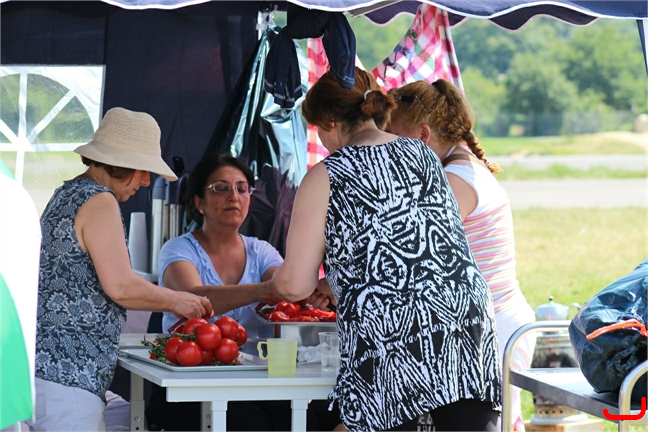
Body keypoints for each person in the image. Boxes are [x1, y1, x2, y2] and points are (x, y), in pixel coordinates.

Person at [269, 67, 502, 431]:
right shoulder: (423, 154)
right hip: (465, 317)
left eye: (317, 128)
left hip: (391, 329)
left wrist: (274, 284)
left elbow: (295, 284)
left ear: (330, 120)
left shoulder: (326, 175)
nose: (322, 139)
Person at [31, 107, 213, 431]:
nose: (146, 181)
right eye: (143, 170)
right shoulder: (100, 200)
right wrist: (177, 300)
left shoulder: (66, 192)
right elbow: (121, 286)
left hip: (47, 373)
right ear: (120, 164)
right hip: (68, 380)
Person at [387, 79, 537, 431]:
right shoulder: (458, 167)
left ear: (423, 135)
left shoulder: (456, 180)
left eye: (393, 138)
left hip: (496, 329)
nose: (388, 150)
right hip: (494, 323)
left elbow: (415, 252)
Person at [147, 154, 318, 431]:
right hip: (188, 381)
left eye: (242, 188)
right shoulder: (178, 249)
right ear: (199, 202)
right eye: (221, 188)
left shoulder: (261, 251)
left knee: (302, 420)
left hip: (253, 381)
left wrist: (315, 290)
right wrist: (264, 290)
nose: (234, 196)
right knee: (249, 425)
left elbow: (288, 289)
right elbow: (193, 297)